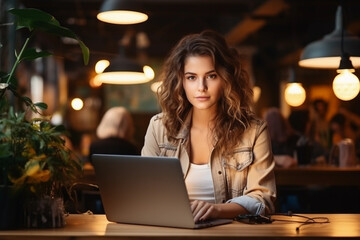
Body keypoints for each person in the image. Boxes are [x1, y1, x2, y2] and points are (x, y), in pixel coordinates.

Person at [141, 30, 276, 223]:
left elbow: (263, 199)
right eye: (191, 77)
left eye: (211, 76)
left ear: (226, 79)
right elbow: (144, 191)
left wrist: (217, 210)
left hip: (230, 235)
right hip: (172, 232)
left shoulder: (254, 131)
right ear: (180, 81)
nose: (201, 87)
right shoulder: (159, 127)